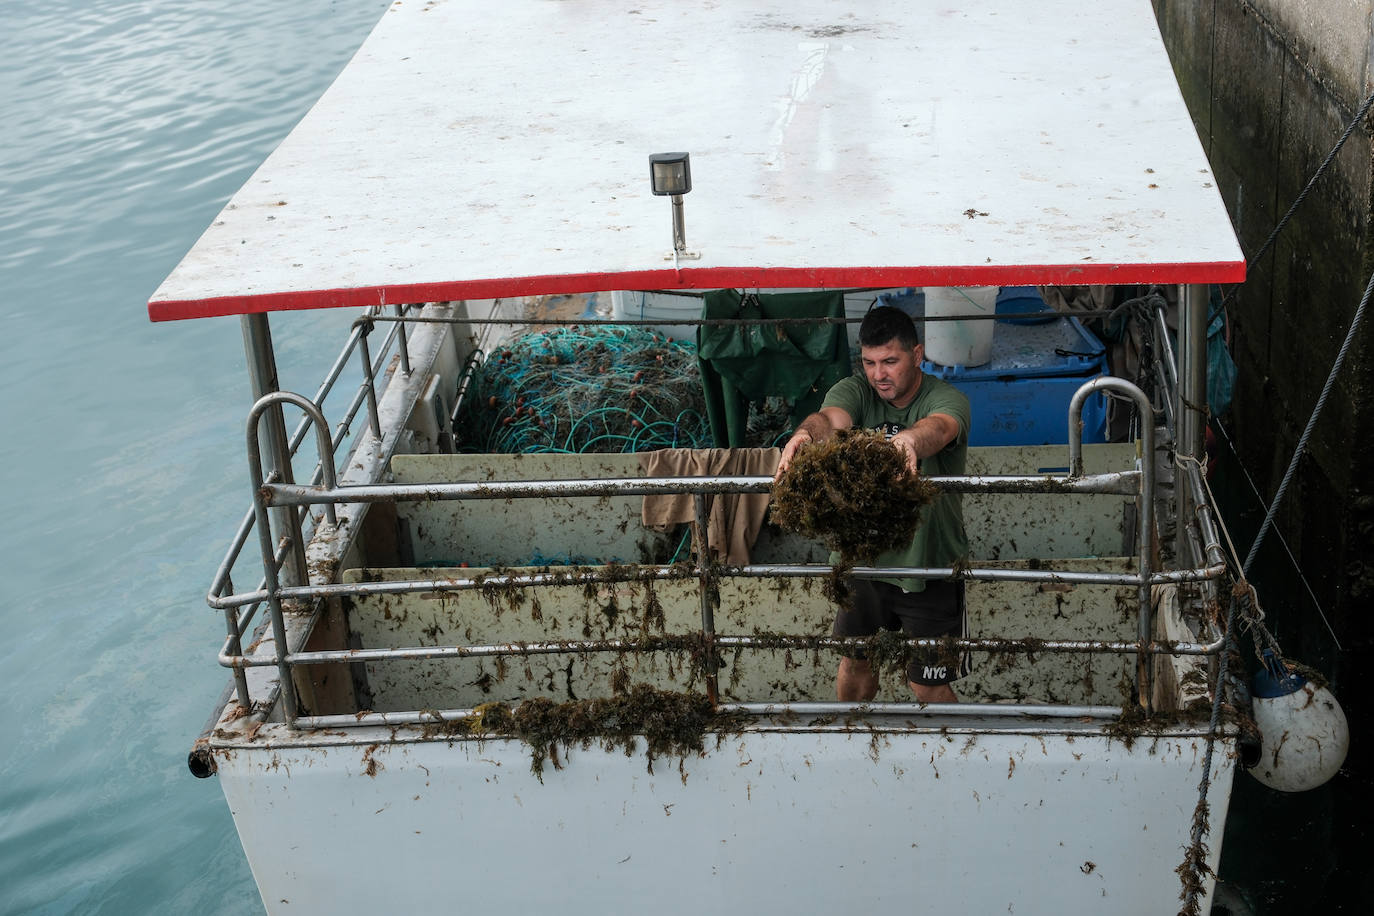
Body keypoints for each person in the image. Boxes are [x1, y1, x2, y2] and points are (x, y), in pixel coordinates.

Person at [775, 305, 971, 704]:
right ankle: (853, 745)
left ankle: (961, 759)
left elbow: (940, 427)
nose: (879, 374)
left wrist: (909, 442)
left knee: (927, 684)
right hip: (862, 563)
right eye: (869, 362)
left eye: (890, 361)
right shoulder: (856, 391)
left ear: (917, 355)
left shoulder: (947, 398)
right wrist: (805, 436)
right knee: (855, 664)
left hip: (928, 565)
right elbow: (829, 419)